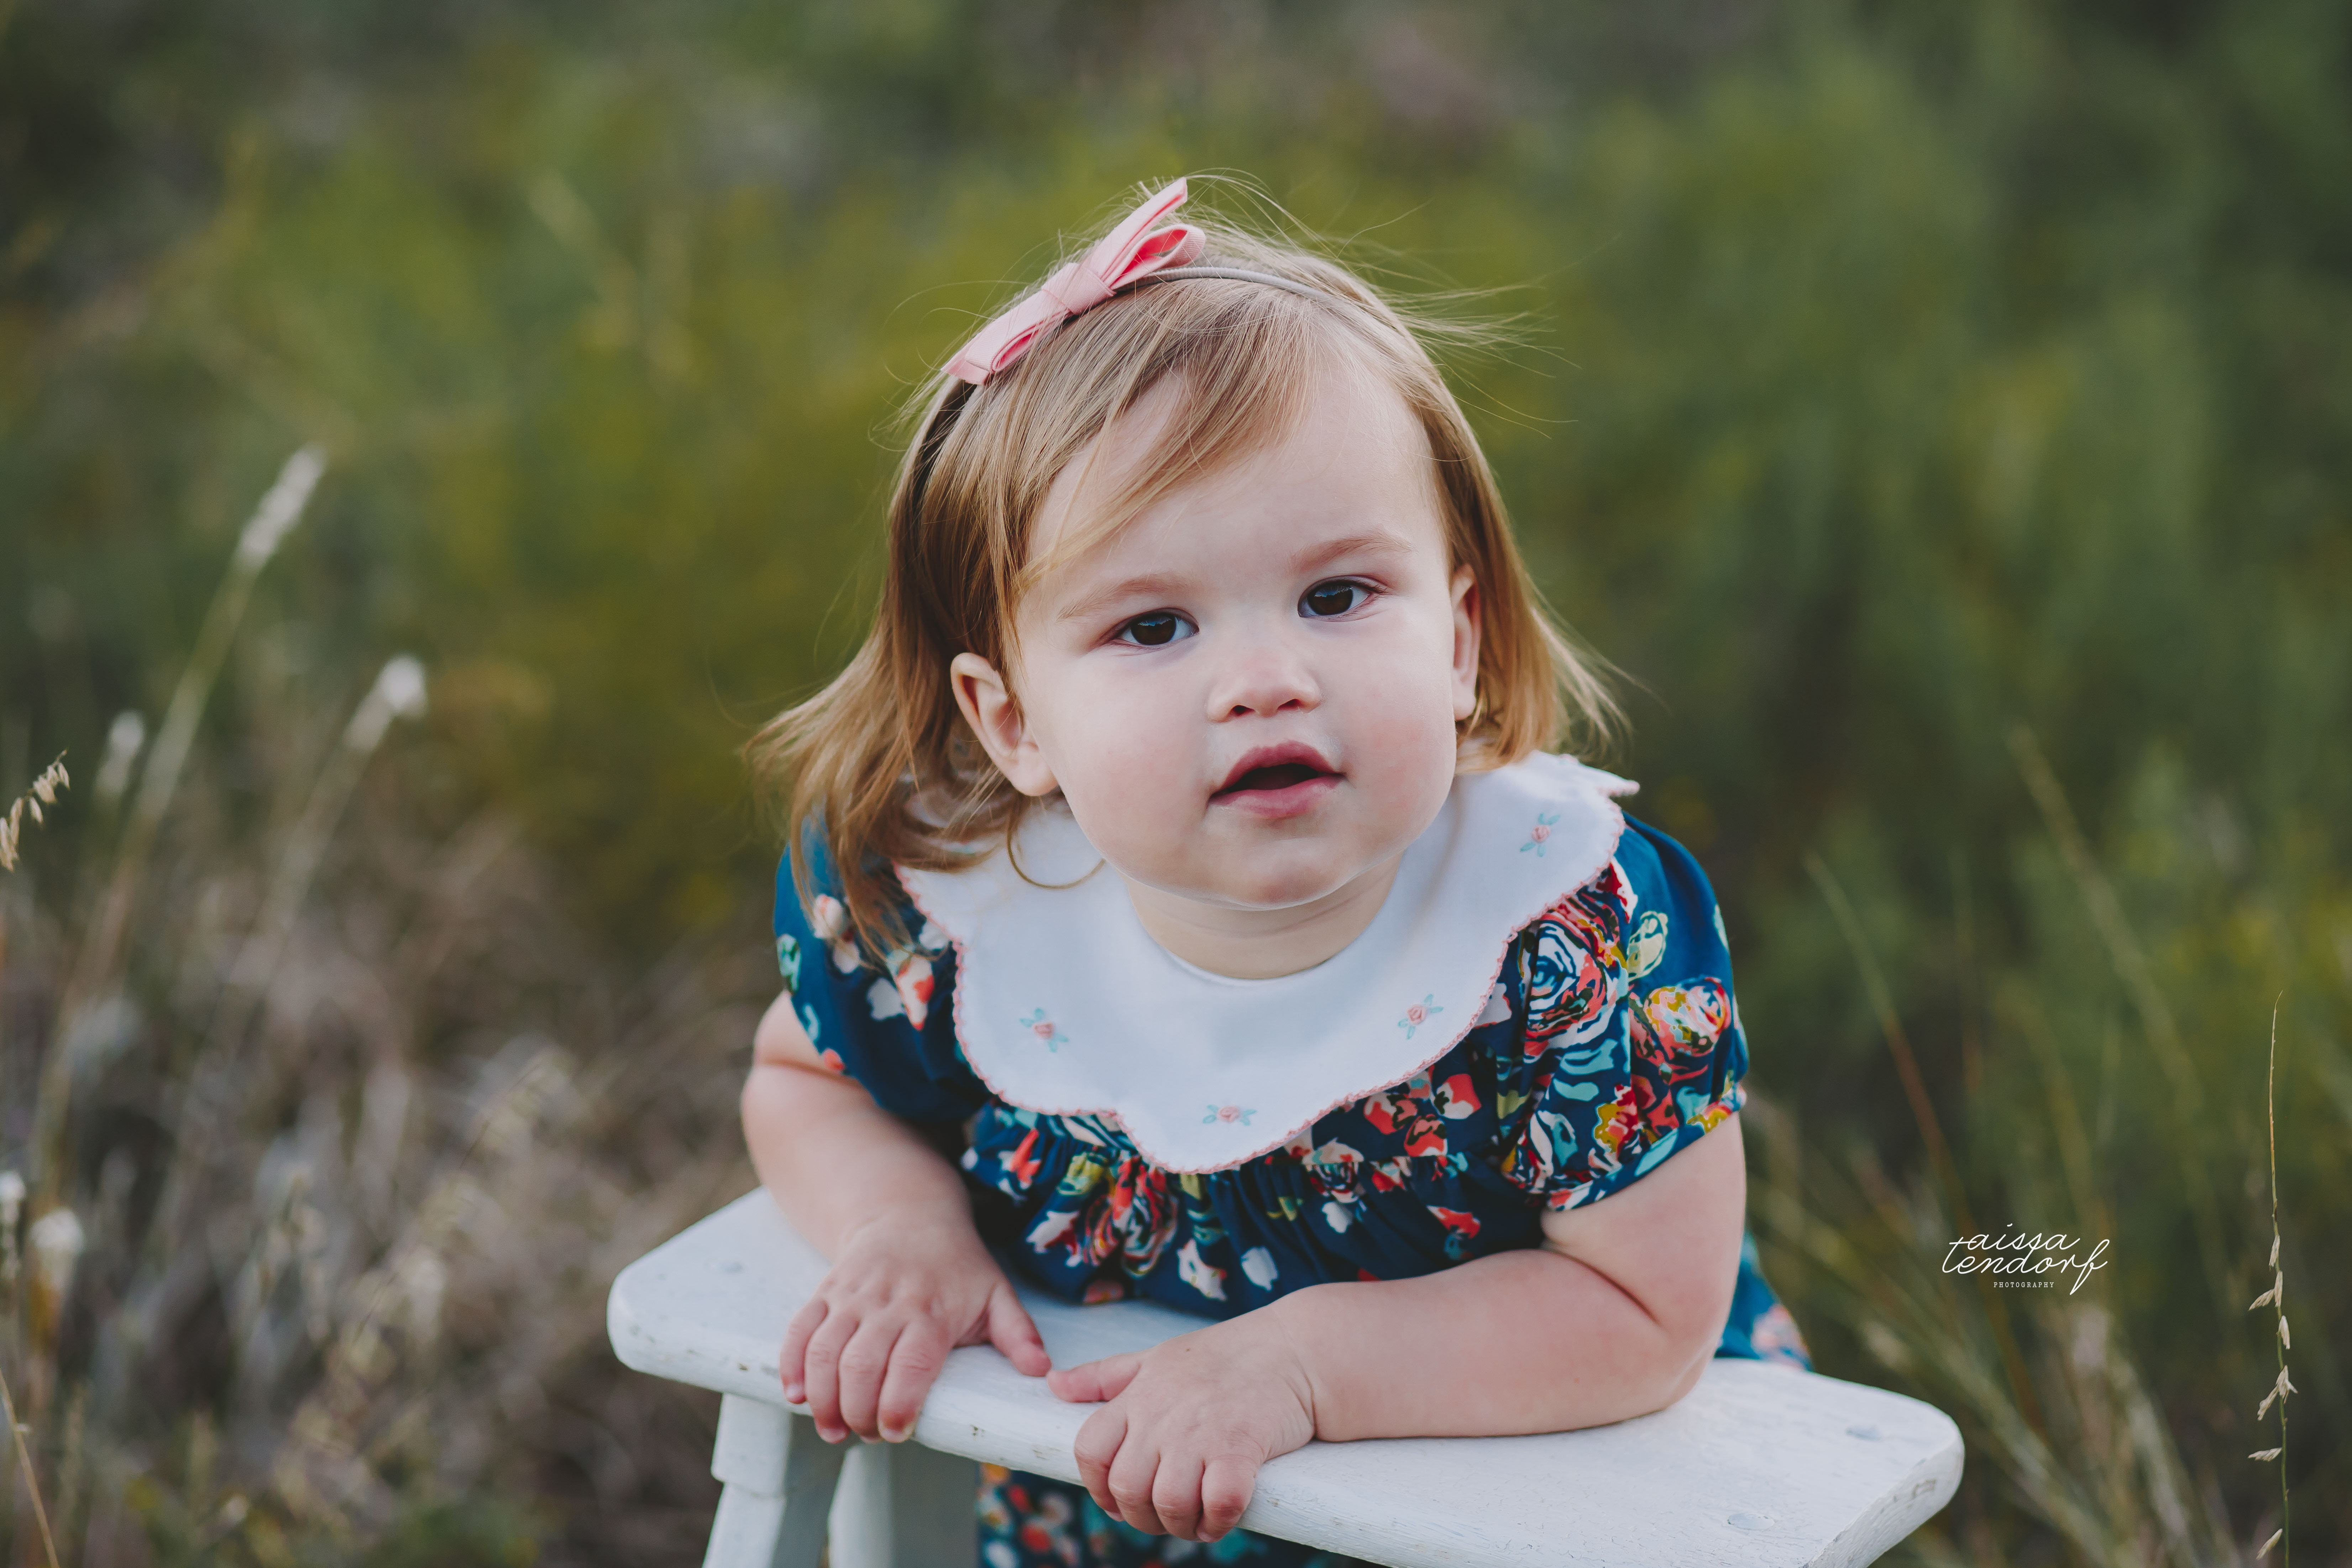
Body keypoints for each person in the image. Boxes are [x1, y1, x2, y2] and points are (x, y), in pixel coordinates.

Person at [740, 178, 1810, 1568]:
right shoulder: (960, 920)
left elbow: (1646, 1313)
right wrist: (900, 1226)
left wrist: (1303, 1366)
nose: (1263, 678)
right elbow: (805, 1079)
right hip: (1117, 1508)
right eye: (1152, 626)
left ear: (1456, 643)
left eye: (1335, 596)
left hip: (1529, 1499)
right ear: (1012, 723)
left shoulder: (1561, 934)